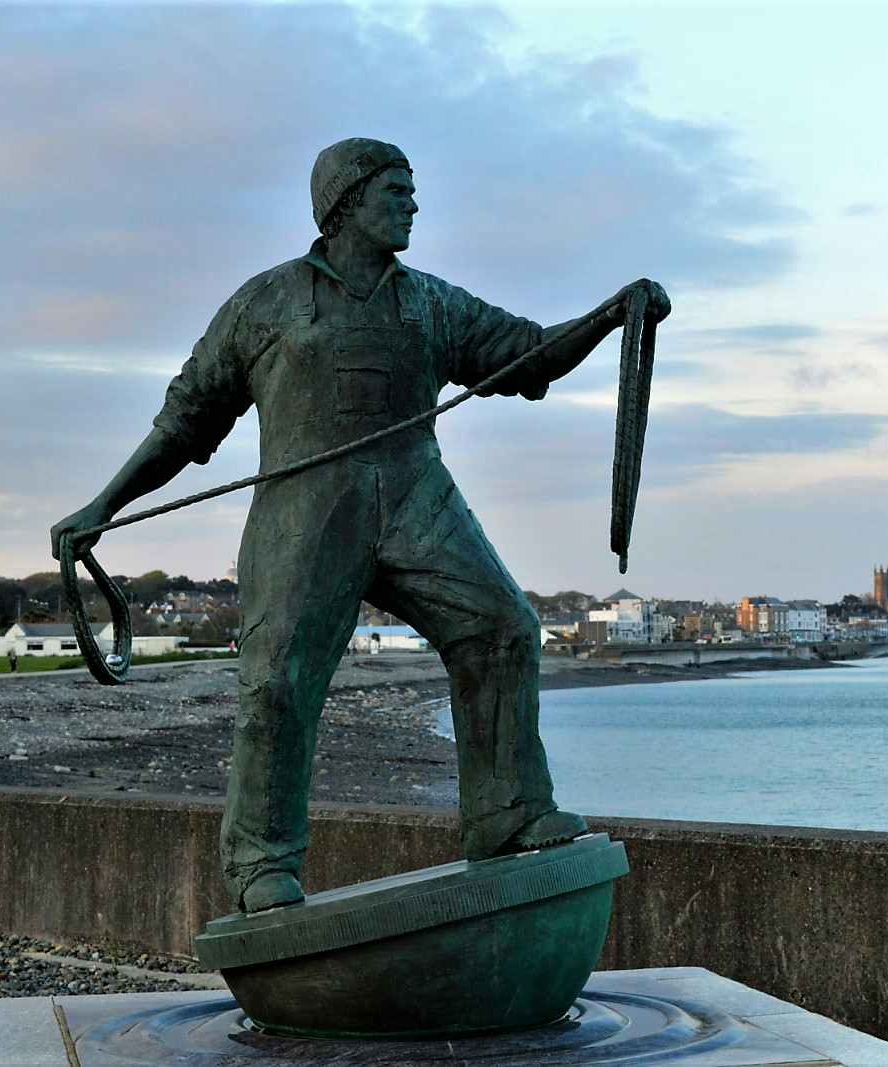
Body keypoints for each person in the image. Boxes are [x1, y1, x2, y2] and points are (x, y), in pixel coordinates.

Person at [51, 138, 669, 913]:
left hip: (418, 496)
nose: (412, 203)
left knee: (503, 625)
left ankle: (508, 814)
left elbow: (529, 355)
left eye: (413, 190)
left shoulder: (432, 303)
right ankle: (260, 864)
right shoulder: (267, 302)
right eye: (396, 190)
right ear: (345, 202)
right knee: (277, 680)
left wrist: (612, 314)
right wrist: (102, 507)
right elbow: (185, 419)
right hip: (306, 509)